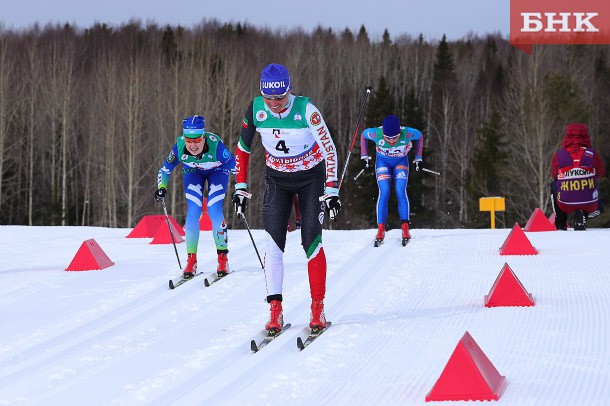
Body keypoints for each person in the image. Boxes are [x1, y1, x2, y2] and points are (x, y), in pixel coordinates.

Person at [232, 63, 341, 334]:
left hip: (310, 179)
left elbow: (330, 149)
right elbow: (243, 148)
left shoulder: (306, 110)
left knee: (311, 241)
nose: (274, 104)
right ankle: (275, 311)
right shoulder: (255, 109)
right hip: (277, 180)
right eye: (268, 98)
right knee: (273, 245)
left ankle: (317, 308)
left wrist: (331, 190)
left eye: (279, 98)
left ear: (288, 91)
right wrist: (240, 187)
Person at [155, 115, 236, 278]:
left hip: (217, 172)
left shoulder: (216, 145)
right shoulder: (179, 146)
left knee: (213, 209)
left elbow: (235, 167)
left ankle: (222, 259)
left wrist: (240, 188)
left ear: (204, 137)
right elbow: (165, 169)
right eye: (188, 140)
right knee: (193, 211)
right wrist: (161, 187)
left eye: (197, 140)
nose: (192, 145)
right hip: (193, 172)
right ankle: (191, 261)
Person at [360, 115, 424, 244]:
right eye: (388, 138)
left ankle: (405, 227)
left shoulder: (407, 133)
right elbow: (363, 135)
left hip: (401, 161)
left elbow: (420, 136)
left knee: (400, 190)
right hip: (383, 162)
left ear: (399, 133)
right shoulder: (375, 134)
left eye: (395, 137)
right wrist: (364, 156)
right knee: (384, 191)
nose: (392, 141)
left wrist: (418, 158)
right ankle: (381, 228)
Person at [551, 123, 605, 231]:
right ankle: (583, 215)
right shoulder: (592, 154)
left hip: (565, 203)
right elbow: (601, 173)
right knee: (591, 184)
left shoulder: (560, 154)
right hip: (590, 203)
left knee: (554, 185)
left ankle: (561, 223)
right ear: (585, 136)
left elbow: (554, 175)